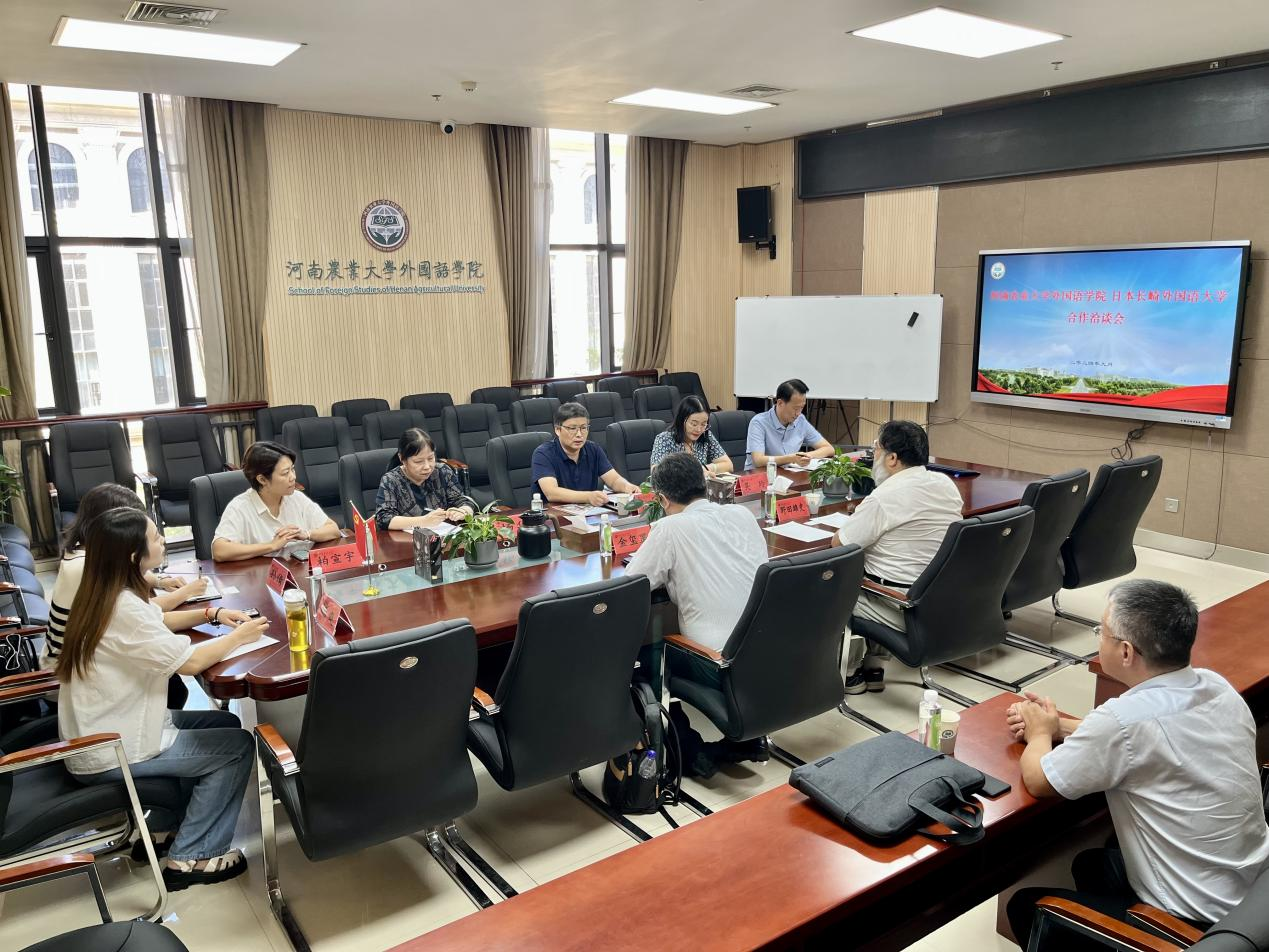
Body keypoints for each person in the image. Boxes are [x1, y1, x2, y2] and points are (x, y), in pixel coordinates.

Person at [1005, 580, 1269, 950]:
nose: (1099, 639)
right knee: (1091, 863)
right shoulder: (1216, 687)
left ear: (1126, 651)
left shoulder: (1122, 721)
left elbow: (1039, 779)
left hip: (1192, 922)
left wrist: (1038, 735)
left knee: (1024, 906)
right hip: (1247, 894)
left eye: (1102, 632)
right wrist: (1057, 726)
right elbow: (1145, 734)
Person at [58, 507, 271, 890]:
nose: (162, 541)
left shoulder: (104, 592)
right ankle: (193, 856)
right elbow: (191, 663)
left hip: (102, 728)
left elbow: (156, 619)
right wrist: (240, 637)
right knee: (238, 747)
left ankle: (167, 830)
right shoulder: (123, 606)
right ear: (132, 555)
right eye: (155, 538)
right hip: (111, 747)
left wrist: (213, 613)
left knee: (222, 722)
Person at [625, 452, 771, 776]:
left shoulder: (670, 528)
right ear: (705, 484)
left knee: (642, 661)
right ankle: (750, 739)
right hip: (764, 652)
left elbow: (630, 584)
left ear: (662, 499)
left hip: (718, 662)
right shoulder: (742, 514)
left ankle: (690, 753)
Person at [830, 420, 962, 694]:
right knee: (882, 568)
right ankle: (874, 668)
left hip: (904, 607)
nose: (873, 456)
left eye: (876, 449)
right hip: (943, 602)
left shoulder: (885, 497)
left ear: (892, 458)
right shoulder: (945, 484)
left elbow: (839, 544)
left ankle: (850, 673)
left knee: (837, 588)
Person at [211, 441, 341, 561]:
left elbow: (333, 530)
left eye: (292, 469)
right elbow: (219, 550)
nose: (293, 477)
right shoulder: (240, 507)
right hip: (263, 575)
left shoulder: (296, 497)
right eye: (285, 473)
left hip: (301, 570)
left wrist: (306, 534)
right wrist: (272, 546)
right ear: (262, 479)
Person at [531, 402, 641, 505]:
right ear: (557, 430)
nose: (579, 434)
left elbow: (614, 480)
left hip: (588, 512)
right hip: (553, 515)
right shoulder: (543, 454)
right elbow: (552, 493)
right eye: (572, 428)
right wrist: (588, 497)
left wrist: (627, 486)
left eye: (584, 428)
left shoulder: (593, 449)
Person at [374, 428, 473, 530]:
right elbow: (384, 519)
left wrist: (463, 511)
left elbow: (463, 501)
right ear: (402, 458)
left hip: (443, 535)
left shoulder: (443, 471)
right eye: (418, 461)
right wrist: (424, 521)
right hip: (406, 538)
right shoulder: (391, 480)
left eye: (430, 458)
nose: (427, 466)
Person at [744, 378, 834, 469]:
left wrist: (807, 456)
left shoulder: (800, 420)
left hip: (787, 474)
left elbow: (829, 449)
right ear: (780, 403)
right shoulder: (759, 422)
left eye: (801, 408)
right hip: (759, 475)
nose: (798, 413)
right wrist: (791, 458)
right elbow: (758, 461)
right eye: (795, 408)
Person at [650, 396, 733, 475]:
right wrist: (694, 472)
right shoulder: (664, 439)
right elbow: (655, 472)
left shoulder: (706, 435)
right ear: (681, 420)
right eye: (694, 424)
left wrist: (706, 469)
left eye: (703, 424)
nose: (699, 429)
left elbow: (729, 465)